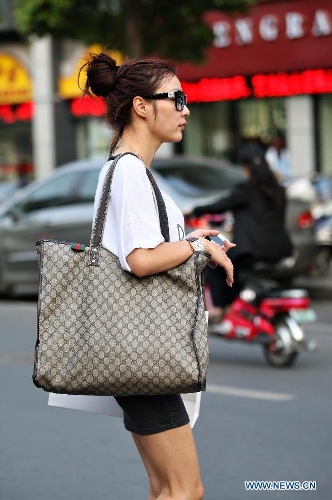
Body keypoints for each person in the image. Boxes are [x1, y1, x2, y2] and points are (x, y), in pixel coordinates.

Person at [81, 52, 234, 500]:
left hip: (142, 353)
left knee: (166, 487)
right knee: (186, 489)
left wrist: (196, 238)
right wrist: (197, 246)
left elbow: (149, 248)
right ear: (142, 107)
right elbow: (140, 259)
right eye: (177, 97)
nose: (186, 109)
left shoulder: (131, 170)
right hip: (144, 354)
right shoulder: (128, 170)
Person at [190, 143, 293, 322]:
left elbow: (221, 205)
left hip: (252, 252)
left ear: (246, 167)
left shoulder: (246, 189)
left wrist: (196, 210)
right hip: (279, 251)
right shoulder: (279, 190)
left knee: (214, 261)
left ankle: (221, 308)